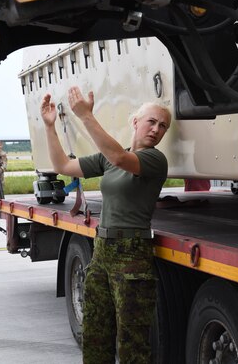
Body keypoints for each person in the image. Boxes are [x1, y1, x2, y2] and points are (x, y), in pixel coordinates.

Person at [40, 86, 171, 363]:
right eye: (152, 121)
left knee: (131, 342)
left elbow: (122, 159)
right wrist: (50, 127)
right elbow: (62, 165)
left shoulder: (154, 160)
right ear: (135, 122)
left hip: (132, 252)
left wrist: (86, 116)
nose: (157, 129)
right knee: (96, 335)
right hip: (102, 251)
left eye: (163, 126)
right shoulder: (109, 158)